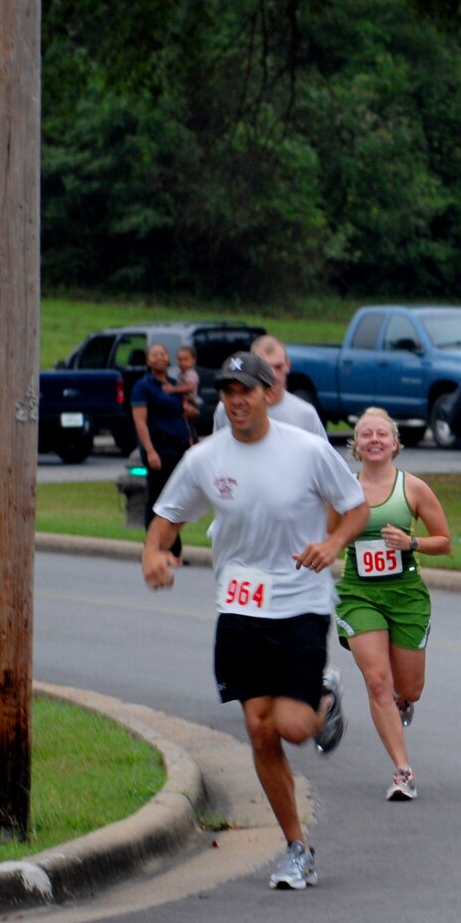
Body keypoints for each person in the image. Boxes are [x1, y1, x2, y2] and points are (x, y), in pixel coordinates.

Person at [142, 349, 368, 890]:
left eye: (247, 390)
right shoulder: (206, 459)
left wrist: (333, 542)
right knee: (259, 728)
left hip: (301, 600)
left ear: (269, 393)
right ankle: (297, 848)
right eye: (228, 391)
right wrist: (153, 552)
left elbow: (355, 505)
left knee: (293, 726)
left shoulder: (308, 450)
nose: (237, 400)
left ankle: (325, 696)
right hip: (241, 604)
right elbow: (168, 515)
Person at [336, 406, 452, 801]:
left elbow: (445, 541)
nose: (373, 440)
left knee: (409, 687)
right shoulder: (343, 489)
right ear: (356, 445)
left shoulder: (413, 488)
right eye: (365, 434)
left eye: (381, 434)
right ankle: (403, 770)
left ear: (395, 443)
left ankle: (403, 701)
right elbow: (320, 533)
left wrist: (411, 543)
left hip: (405, 594)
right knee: (377, 681)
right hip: (358, 593)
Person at [130, 343, 192, 561]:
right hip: (159, 447)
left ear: (168, 360)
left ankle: (174, 549)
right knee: (157, 499)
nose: (159, 357)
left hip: (179, 447)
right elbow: (140, 422)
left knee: (176, 499)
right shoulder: (143, 387)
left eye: (163, 354)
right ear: (148, 361)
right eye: (154, 355)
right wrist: (150, 451)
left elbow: (185, 413)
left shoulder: (176, 385)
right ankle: (155, 549)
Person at [213, 335, 328, 439]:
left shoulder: (306, 414)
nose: (273, 375)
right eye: (266, 367)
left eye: (278, 367)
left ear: (288, 365)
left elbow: (322, 458)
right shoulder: (227, 409)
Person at [172, 345, 202, 423]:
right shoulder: (181, 373)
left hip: (189, 401)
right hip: (183, 400)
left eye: (185, 360)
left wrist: (174, 389)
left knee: (187, 422)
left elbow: (191, 387)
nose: (182, 363)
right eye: (180, 360)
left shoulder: (191, 373)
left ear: (193, 361)